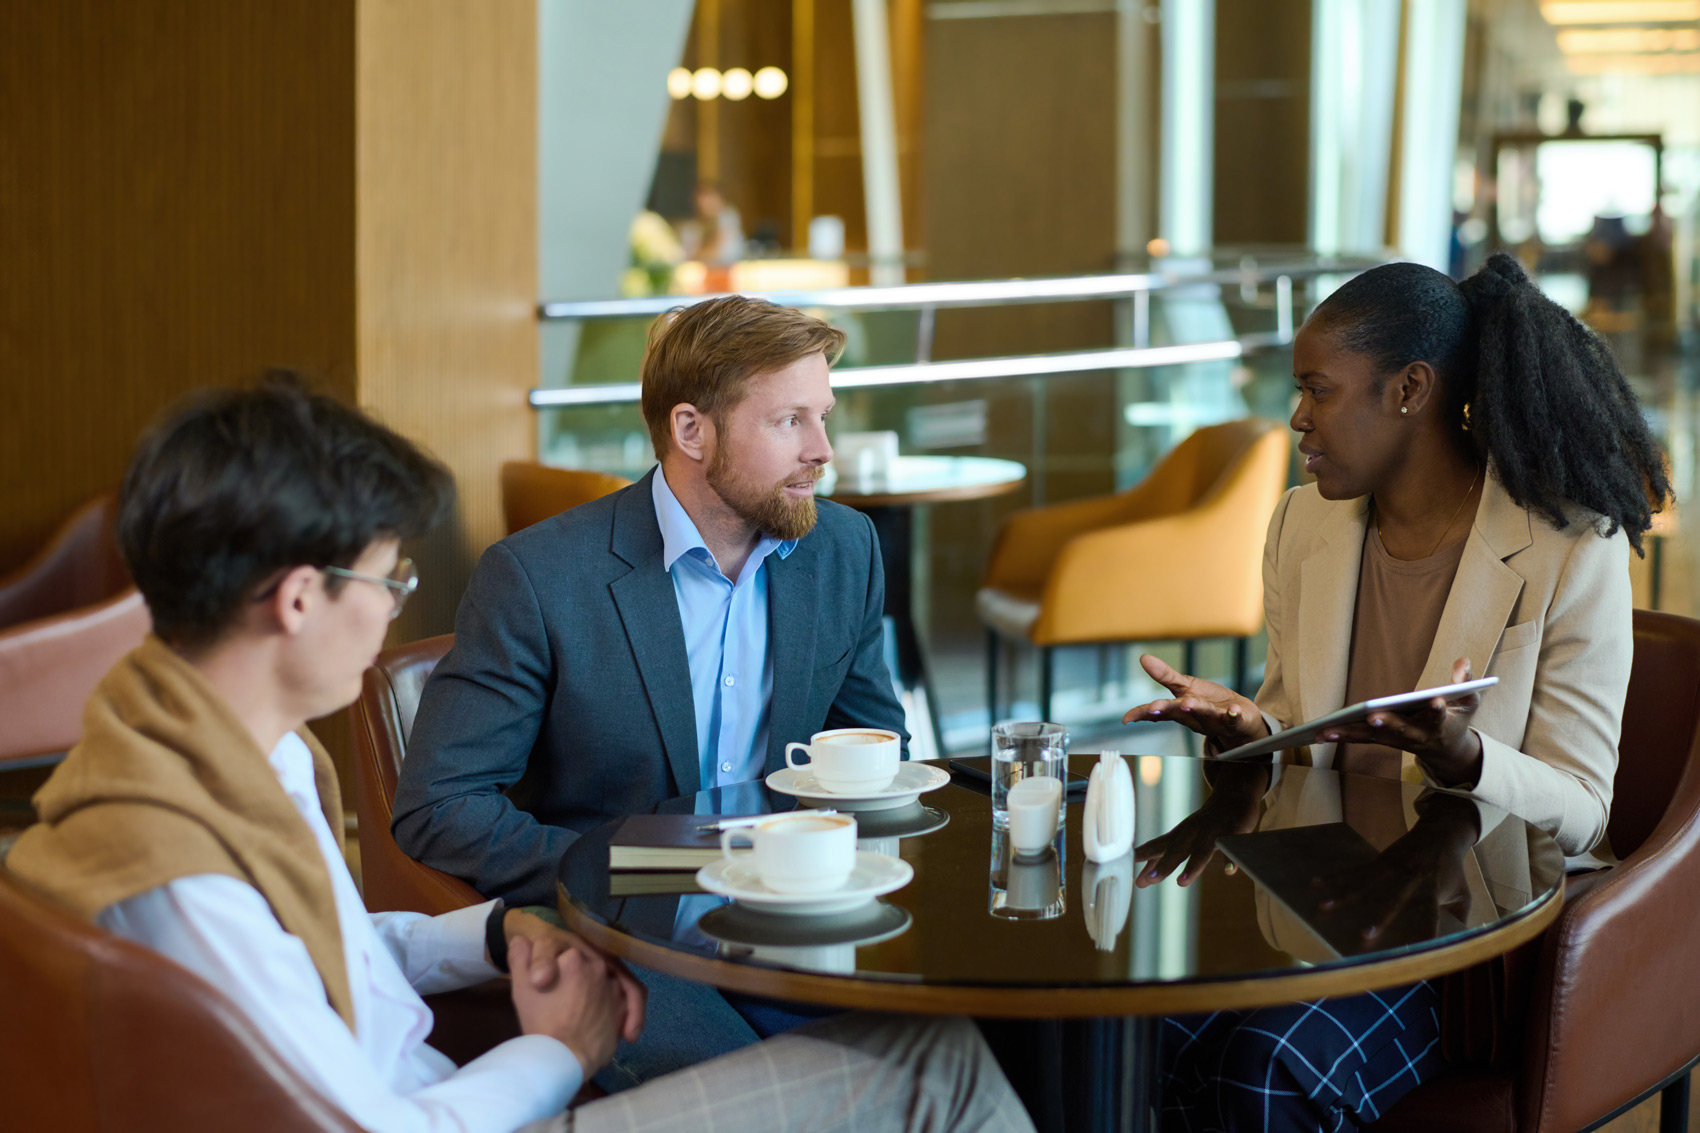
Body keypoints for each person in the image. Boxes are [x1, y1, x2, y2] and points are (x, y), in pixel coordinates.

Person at [4, 380, 1033, 1133]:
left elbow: (326, 952)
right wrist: (564, 1043)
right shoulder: (180, 868)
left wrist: (495, 933)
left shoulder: (215, 754)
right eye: (387, 580)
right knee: (933, 1065)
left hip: (462, 1058)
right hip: (458, 1107)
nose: (393, 610)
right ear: (299, 596)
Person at [1123, 253, 1670, 1131]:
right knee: (1142, 1034)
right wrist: (1249, 727)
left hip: (1476, 935)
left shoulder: (1570, 543)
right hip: (1323, 900)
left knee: (1260, 1070)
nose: (1296, 418)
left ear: (1410, 389)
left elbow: (1584, 807)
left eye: (1318, 390)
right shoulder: (1305, 521)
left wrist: (1467, 755)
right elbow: (1305, 732)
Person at [393, 296, 907, 908]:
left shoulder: (843, 550)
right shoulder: (537, 577)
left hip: (800, 910)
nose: (822, 450)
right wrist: (656, 868)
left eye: (823, 416)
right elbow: (442, 807)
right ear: (691, 431)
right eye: (789, 420)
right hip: (625, 931)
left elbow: (872, 749)